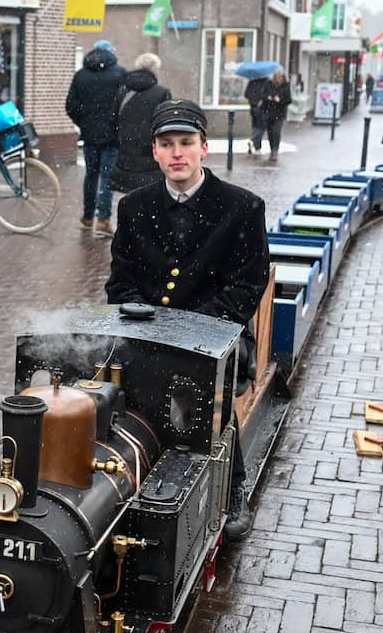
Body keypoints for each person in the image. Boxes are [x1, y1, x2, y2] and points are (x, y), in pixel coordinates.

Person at [105, 99, 267, 538]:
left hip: (218, 337)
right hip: (144, 332)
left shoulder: (243, 207)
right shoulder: (134, 207)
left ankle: (233, 485)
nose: (177, 153)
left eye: (186, 143)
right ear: (155, 152)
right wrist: (145, 321)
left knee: (204, 399)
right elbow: (120, 282)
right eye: (167, 144)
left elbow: (246, 287)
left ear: (204, 148)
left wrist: (190, 330)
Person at [66, 41, 125, 234]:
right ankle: (103, 220)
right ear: (111, 53)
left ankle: (87, 215)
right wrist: (116, 123)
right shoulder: (120, 74)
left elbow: (70, 105)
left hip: (90, 135)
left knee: (91, 175)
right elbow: (124, 104)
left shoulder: (81, 75)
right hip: (111, 135)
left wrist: (83, 122)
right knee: (107, 176)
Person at [111, 53, 172, 198]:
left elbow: (113, 119)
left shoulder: (124, 91)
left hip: (126, 154)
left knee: (131, 198)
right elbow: (166, 123)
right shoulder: (161, 93)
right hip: (151, 156)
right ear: (155, 70)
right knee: (152, 199)